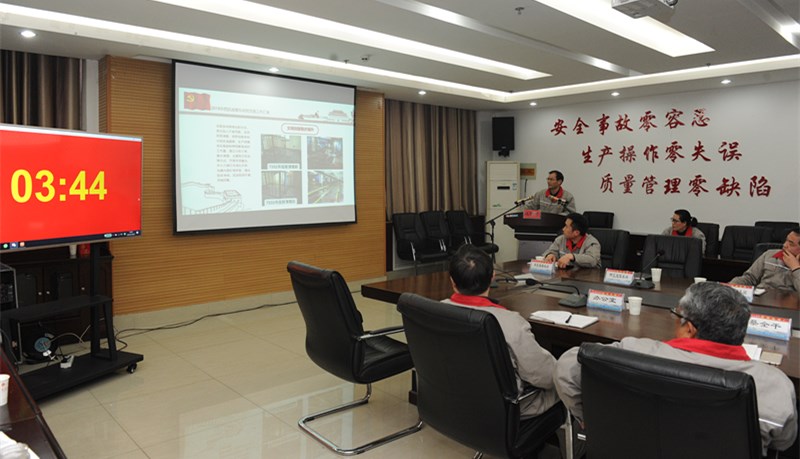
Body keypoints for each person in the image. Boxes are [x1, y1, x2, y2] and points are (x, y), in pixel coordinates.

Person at [554, 282, 797, 454]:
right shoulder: (773, 385)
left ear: (689, 329)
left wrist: (587, 416)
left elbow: (566, 368)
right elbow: (784, 442)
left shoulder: (632, 350)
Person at [443, 244, 560, 418]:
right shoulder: (509, 322)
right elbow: (546, 376)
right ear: (492, 278)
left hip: (450, 397)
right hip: (502, 409)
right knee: (565, 380)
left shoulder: (435, 310)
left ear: (452, 280)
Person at [730, 227, 800, 292]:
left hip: (787, 300)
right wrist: (729, 287)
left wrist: (795, 268)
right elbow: (750, 278)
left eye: (791, 244)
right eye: (786, 240)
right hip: (760, 297)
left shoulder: (797, 268)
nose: (784, 245)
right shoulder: (769, 254)